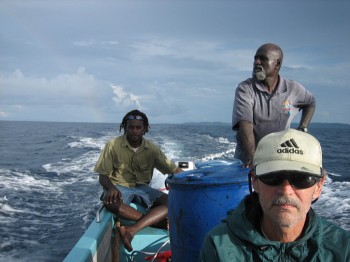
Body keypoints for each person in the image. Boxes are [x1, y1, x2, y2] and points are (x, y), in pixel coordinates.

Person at [199, 129, 350, 261]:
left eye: (302, 179)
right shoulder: (219, 247)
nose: (286, 190)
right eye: (272, 177)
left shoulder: (344, 249)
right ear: (255, 182)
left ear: (319, 186)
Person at [94, 109, 182, 252]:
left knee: (172, 201)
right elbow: (103, 176)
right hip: (119, 185)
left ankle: (131, 230)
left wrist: (195, 181)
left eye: (138, 127)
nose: (134, 131)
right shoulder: (112, 145)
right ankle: (156, 223)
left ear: (145, 129)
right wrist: (111, 188)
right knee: (110, 202)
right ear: (125, 127)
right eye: (131, 127)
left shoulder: (152, 149)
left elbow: (173, 170)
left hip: (142, 188)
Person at [232, 43, 316, 167]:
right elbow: (245, 124)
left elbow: (311, 102)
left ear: (277, 63)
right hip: (247, 159)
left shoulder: (292, 88)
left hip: (278, 155)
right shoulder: (245, 88)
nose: (257, 62)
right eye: (255, 58)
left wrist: (303, 128)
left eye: (262, 58)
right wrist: (252, 158)